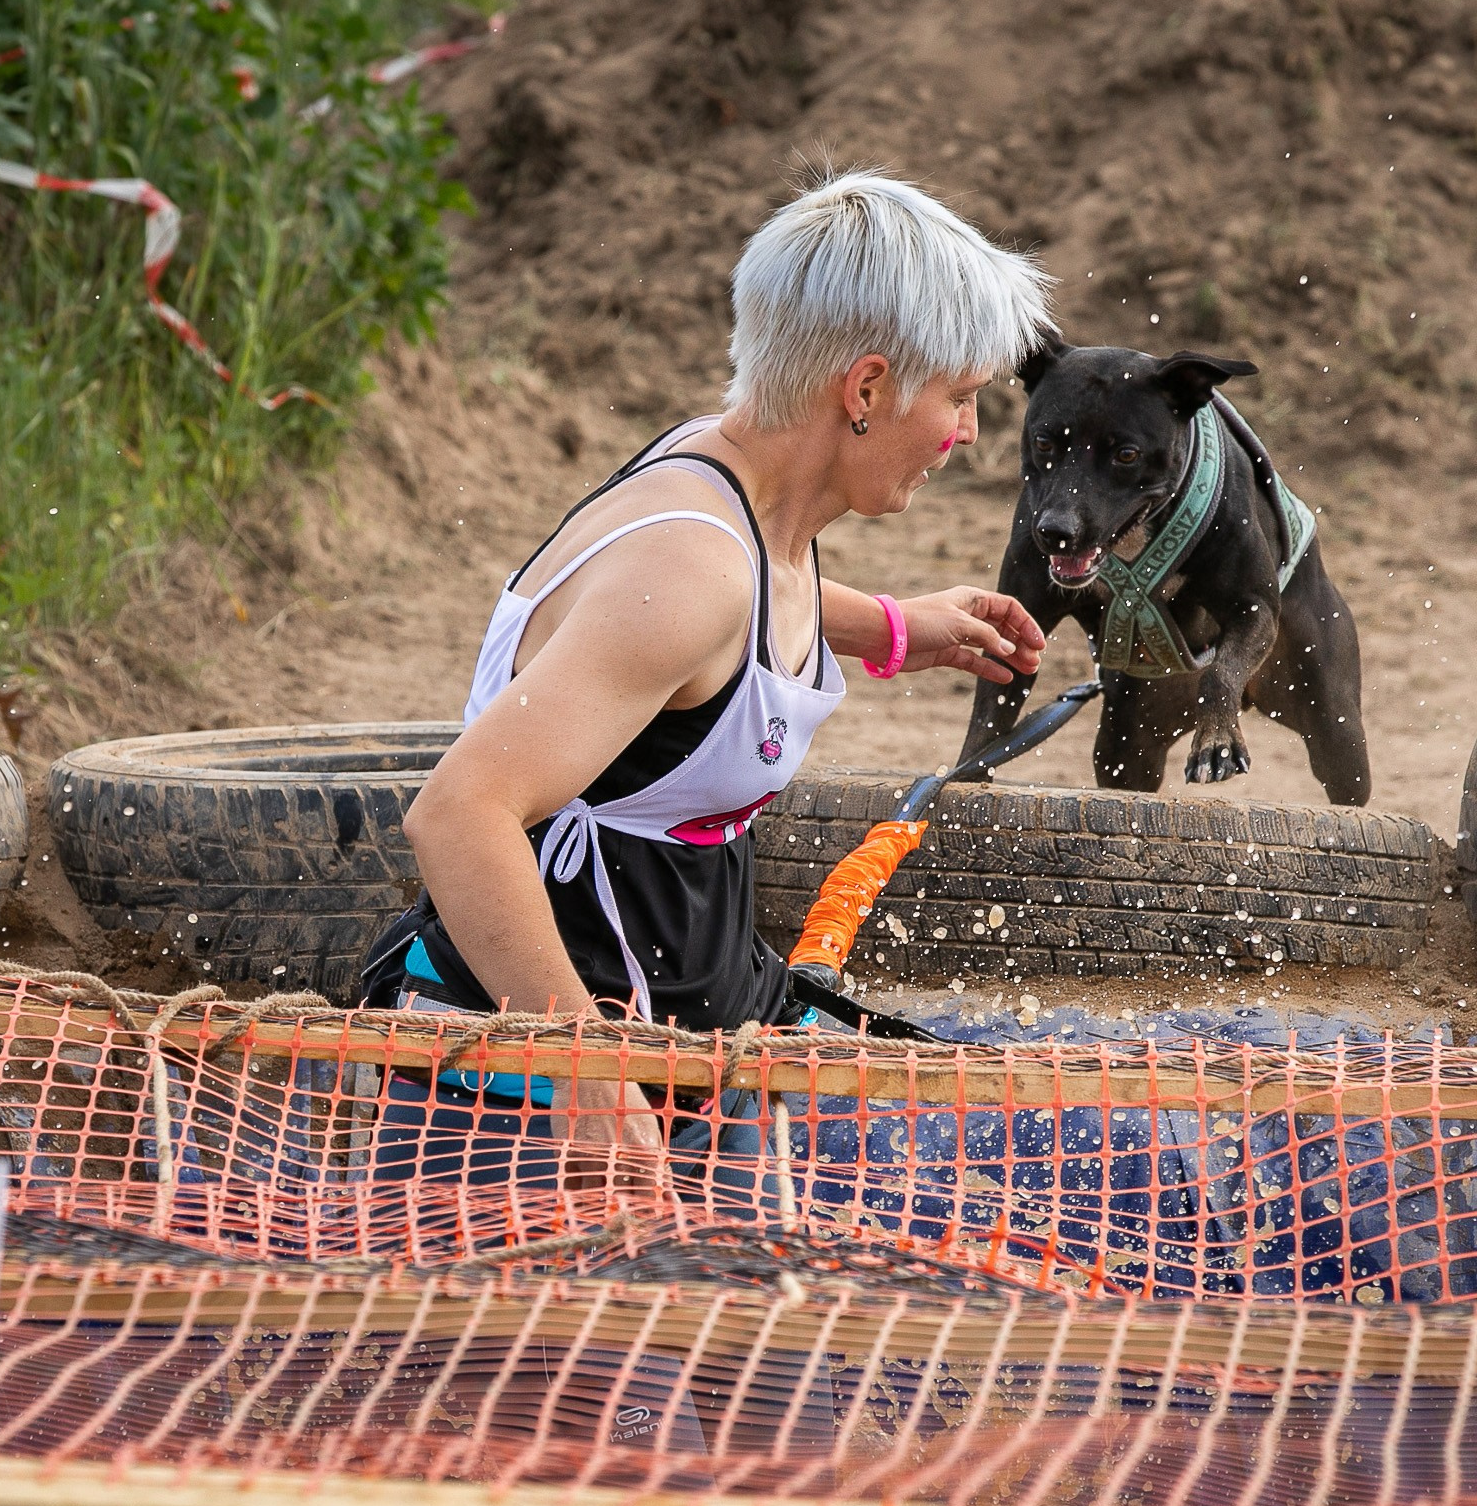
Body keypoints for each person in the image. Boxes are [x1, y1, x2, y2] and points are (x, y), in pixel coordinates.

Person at [359, 171, 1052, 1186]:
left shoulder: (734, 484)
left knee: (998, 1136)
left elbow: (733, 626)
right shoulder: (685, 574)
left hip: (707, 1009)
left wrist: (896, 626)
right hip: (538, 1069)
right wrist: (585, 1072)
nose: (968, 435)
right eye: (960, 397)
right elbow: (457, 813)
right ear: (862, 390)